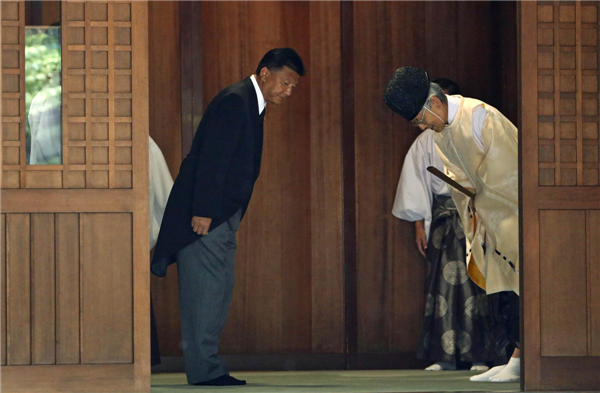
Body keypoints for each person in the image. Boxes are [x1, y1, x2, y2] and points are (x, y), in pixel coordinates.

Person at [152, 48, 305, 386]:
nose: (288, 91)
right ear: (265, 73)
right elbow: (212, 160)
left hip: (219, 215)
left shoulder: (250, 103)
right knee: (206, 294)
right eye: (285, 82)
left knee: (215, 291)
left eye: (293, 86)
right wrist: (204, 212)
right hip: (207, 217)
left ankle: (208, 368)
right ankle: (205, 371)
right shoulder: (236, 100)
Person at [384, 66, 520, 383]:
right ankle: (514, 355)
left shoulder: (479, 116)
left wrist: (481, 195)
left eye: (420, 119)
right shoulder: (442, 131)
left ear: (435, 103)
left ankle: (520, 357)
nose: (421, 127)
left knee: (517, 284)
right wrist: (473, 204)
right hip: (484, 215)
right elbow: (459, 179)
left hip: (510, 213)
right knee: (499, 288)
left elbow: (507, 167)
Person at [393, 126, 494, 372]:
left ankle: (478, 356)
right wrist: (419, 224)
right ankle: (443, 356)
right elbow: (415, 182)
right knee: (441, 287)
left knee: (477, 284)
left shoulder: (475, 133)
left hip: (475, 216)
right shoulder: (425, 140)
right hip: (442, 220)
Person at [148, 135, 174, 368]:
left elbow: (168, 203)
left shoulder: (142, 142)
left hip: (129, 241)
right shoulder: (143, 142)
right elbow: (166, 202)